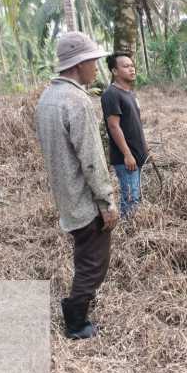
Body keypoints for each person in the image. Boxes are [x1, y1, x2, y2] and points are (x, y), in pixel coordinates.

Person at [35, 31, 119, 340]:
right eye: (93, 61)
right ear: (79, 64)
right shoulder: (76, 101)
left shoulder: (48, 98)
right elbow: (92, 159)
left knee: (85, 255)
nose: (96, 67)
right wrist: (107, 202)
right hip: (84, 200)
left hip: (65, 195)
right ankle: (76, 320)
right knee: (93, 264)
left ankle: (76, 310)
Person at [101, 53, 149, 218]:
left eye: (132, 65)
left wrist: (145, 149)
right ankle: (129, 233)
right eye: (126, 66)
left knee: (135, 196)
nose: (132, 68)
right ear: (114, 70)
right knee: (130, 198)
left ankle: (135, 229)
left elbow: (134, 124)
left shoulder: (129, 93)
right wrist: (127, 154)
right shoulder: (111, 94)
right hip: (125, 159)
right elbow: (114, 126)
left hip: (137, 154)